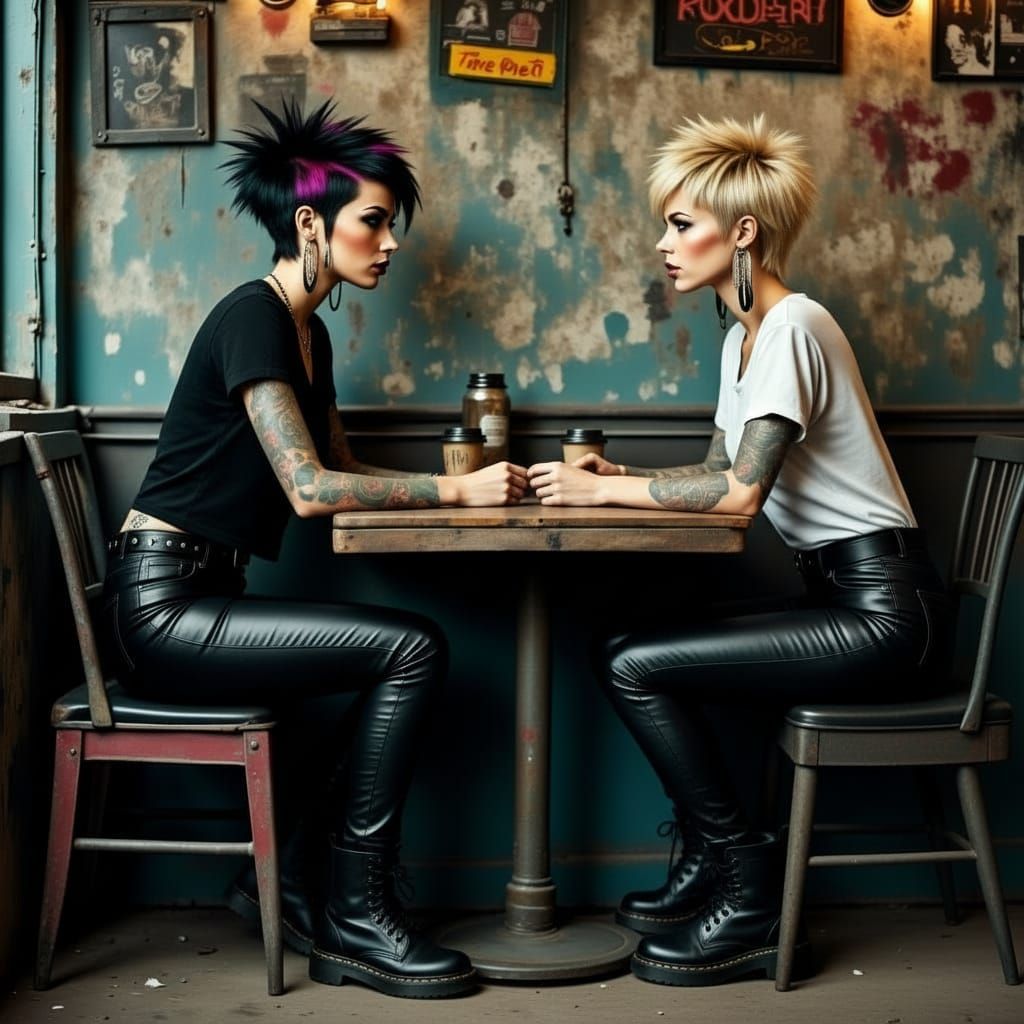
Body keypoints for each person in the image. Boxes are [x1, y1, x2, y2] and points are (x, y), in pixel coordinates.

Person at [102, 98, 528, 999]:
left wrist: (473, 487)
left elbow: (338, 465)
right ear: (310, 221)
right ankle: (358, 919)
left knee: (394, 661)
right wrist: (455, 491)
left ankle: (297, 885)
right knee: (410, 650)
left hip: (204, 598)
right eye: (373, 220)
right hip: (163, 609)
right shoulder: (254, 318)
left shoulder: (310, 332)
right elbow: (307, 490)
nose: (389, 241)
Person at [527, 114, 953, 987]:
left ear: (743, 232)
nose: (663, 243)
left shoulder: (792, 324)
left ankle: (747, 888)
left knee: (639, 665)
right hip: (840, 599)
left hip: (883, 615)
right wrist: (622, 471)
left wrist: (596, 491)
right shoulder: (742, 337)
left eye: (681, 225)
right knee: (629, 650)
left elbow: (738, 496)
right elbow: (723, 465)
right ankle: (711, 863)